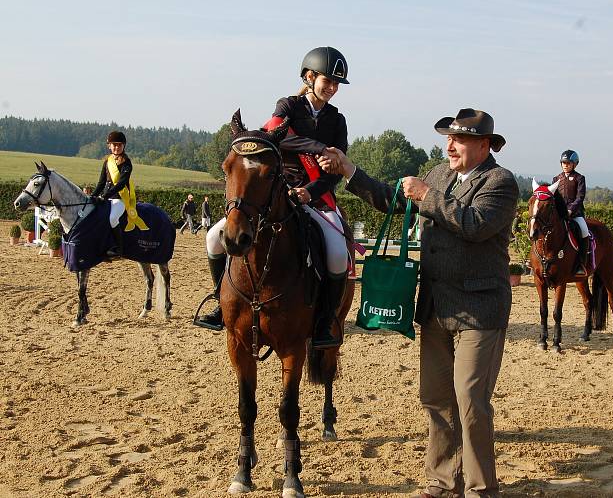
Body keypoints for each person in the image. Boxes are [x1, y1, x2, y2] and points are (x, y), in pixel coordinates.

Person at [319, 108, 519, 498]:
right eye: (447, 138)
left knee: (471, 400)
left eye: (458, 140)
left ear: (483, 145)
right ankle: (443, 484)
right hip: (435, 307)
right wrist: (348, 170)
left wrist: (427, 195)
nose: (449, 146)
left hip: (480, 310)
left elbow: (474, 224)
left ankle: (481, 489)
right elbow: (392, 201)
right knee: (436, 398)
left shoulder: (500, 182)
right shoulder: (440, 174)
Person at [194, 46, 351, 351]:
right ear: (309, 76)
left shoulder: (337, 120)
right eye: (327, 81)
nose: (332, 88)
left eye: (336, 84)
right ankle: (219, 302)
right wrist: (319, 147)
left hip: (315, 197)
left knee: (336, 253)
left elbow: (337, 167)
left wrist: (312, 190)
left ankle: (325, 319)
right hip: (276, 192)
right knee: (214, 237)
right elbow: (277, 137)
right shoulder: (288, 106)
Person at [91, 131, 147, 257]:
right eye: (114, 145)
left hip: (120, 198)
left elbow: (121, 184)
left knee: (112, 218)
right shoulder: (107, 162)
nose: (116, 147)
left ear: (123, 146)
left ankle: (118, 249)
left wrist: (105, 196)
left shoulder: (126, 162)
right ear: (109, 146)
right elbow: (101, 183)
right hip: (106, 197)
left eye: (119, 145)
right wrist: (92, 196)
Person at [553, 149, 589, 275]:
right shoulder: (557, 178)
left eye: (568, 163)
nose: (565, 165)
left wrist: (570, 210)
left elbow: (580, 197)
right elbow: (554, 198)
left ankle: (580, 264)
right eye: (563, 162)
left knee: (584, 231)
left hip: (575, 213)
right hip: (559, 214)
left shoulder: (579, 178)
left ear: (574, 164)